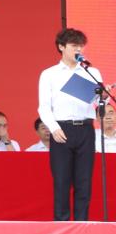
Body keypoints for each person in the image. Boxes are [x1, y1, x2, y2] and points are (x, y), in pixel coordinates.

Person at [38, 28, 103, 221]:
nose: (79, 50)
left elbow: (98, 103)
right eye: (74, 46)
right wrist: (54, 128)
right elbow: (43, 107)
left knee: (84, 182)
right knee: (62, 181)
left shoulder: (91, 72)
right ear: (61, 47)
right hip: (62, 130)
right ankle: (62, 224)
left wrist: (104, 96)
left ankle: (82, 223)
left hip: (86, 129)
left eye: (81, 46)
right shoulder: (49, 74)